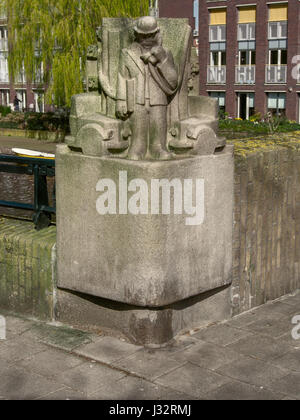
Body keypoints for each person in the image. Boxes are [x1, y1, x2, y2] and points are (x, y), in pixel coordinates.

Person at [116, 16, 178, 160]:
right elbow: (122, 76)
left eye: (151, 35)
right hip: (137, 99)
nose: (147, 39)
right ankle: (138, 149)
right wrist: (121, 100)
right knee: (138, 134)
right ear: (137, 34)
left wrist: (161, 59)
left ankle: (159, 148)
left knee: (158, 129)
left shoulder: (165, 53)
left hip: (158, 99)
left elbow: (173, 81)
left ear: (157, 33)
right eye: (144, 35)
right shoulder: (127, 53)